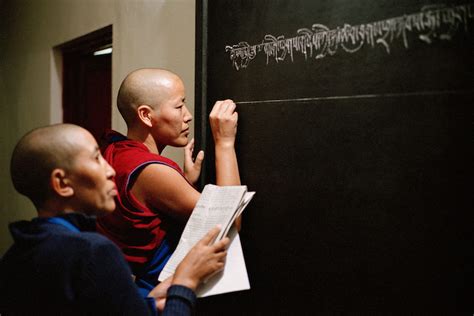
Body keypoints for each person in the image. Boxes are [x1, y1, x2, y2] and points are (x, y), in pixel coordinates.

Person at [0, 124, 230, 315]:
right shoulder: (91, 252)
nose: (110, 170)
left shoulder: (16, 255)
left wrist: (147, 303)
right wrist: (185, 283)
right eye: (96, 158)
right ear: (61, 183)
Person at [96, 68, 241, 292]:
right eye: (178, 106)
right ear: (145, 115)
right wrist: (224, 143)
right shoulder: (151, 171)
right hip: (151, 295)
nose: (188, 115)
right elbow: (229, 224)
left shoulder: (116, 150)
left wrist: (182, 183)